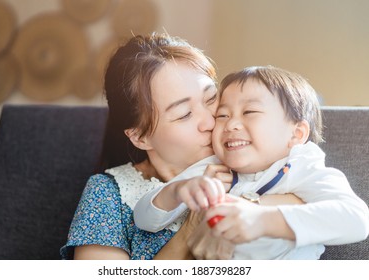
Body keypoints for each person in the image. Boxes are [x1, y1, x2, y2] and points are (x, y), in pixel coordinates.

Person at [60, 34, 301, 260]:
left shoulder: (253, 156)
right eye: (184, 114)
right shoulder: (109, 194)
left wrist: (246, 207)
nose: (210, 121)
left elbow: (320, 200)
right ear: (140, 137)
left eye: (210, 99)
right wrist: (191, 230)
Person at [134, 65, 369, 259]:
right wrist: (177, 190)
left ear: (296, 134)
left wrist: (264, 219)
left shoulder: (303, 169)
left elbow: (356, 219)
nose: (231, 124)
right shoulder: (212, 169)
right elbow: (144, 220)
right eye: (223, 115)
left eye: (249, 112)